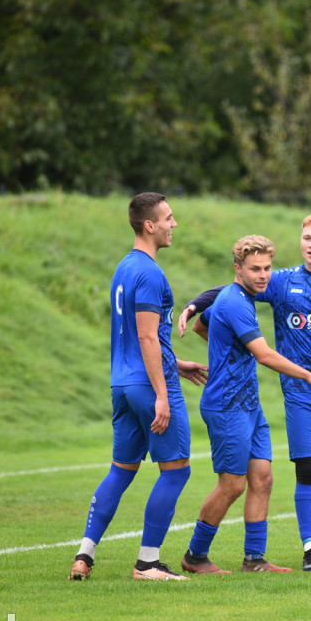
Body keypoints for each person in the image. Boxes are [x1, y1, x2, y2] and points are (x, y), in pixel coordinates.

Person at [179, 213, 311, 571]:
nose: (263, 274)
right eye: (307, 238)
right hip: (254, 400)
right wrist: (196, 303)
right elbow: (256, 340)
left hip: (269, 402)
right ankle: (197, 555)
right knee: (246, 483)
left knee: (267, 478)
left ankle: (257, 559)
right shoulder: (260, 290)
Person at [69, 192, 208, 582]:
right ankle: (147, 563)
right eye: (168, 218)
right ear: (150, 225)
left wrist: (175, 364)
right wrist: (163, 393)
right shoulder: (149, 272)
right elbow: (147, 338)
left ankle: (84, 555)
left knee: (121, 470)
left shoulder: (124, 268)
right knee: (176, 471)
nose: (173, 224)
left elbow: (136, 336)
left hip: (123, 384)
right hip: (149, 386)